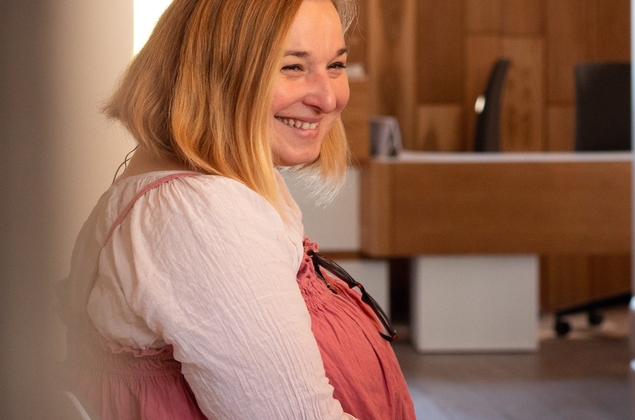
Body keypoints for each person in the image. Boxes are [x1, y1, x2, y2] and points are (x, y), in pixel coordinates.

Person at [57, 0, 416, 418]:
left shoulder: (214, 187)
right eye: (293, 67)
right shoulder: (198, 214)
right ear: (214, 74)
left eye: (336, 65)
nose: (329, 97)